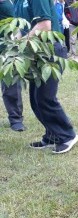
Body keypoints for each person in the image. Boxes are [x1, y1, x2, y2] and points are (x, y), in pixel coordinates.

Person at [14, 0, 78, 153]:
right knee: (36, 99)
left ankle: (67, 135)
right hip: (35, 53)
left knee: (45, 98)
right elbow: (21, 29)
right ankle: (52, 136)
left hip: (50, 50)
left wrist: (21, 44)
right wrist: (14, 45)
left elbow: (44, 26)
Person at [0, 0, 24, 132]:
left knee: (10, 86)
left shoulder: (5, 5)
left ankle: (16, 119)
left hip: (6, 52)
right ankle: (15, 118)